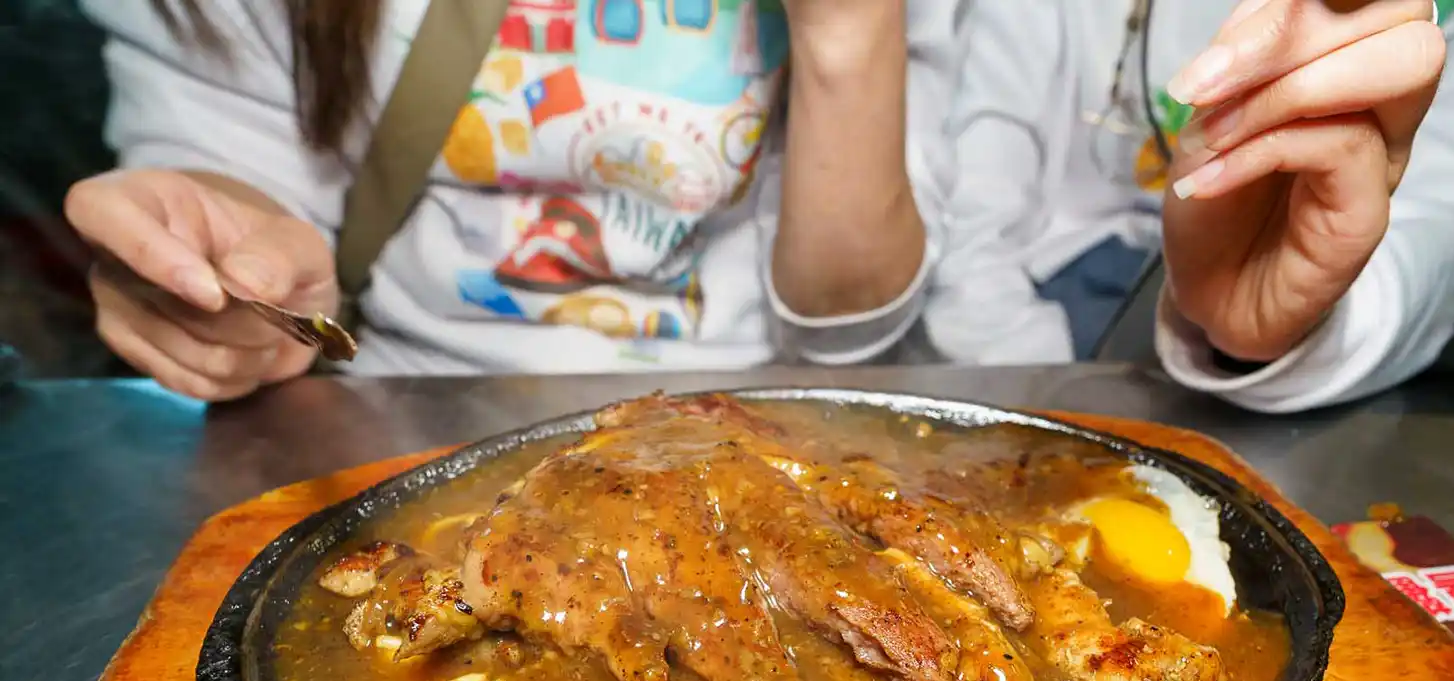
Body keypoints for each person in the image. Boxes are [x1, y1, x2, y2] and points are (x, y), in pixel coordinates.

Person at [65, 0, 961, 398]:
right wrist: (223, 268)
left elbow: (847, 327)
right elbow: (224, 151)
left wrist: (848, 31)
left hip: (749, 409)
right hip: (395, 412)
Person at [925, 0, 1454, 412]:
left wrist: (1300, 321)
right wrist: (1026, 373)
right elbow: (979, 170)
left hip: (1318, 386)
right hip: (1028, 325)